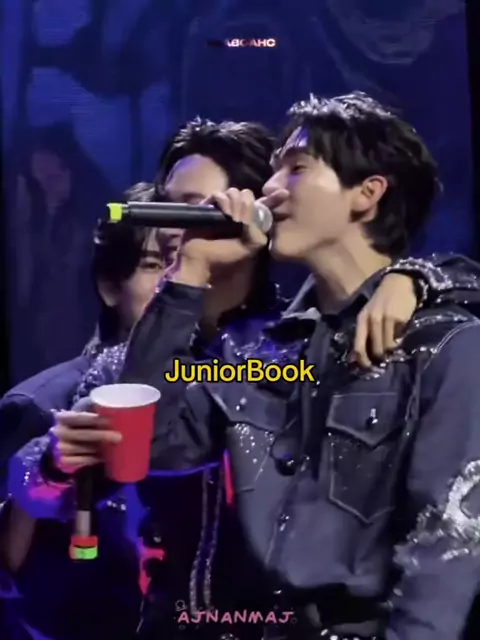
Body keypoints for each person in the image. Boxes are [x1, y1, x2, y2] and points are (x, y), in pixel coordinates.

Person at [9, 111, 480, 640]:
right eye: (168, 204)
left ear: (368, 193)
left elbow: (448, 547)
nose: (174, 226)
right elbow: (145, 447)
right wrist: (189, 274)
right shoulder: (258, 354)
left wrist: (427, 276)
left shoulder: (432, 340)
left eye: (295, 169)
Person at [0, 182, 181, 640]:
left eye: (185, 263)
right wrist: (47, 474)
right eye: (154, 265)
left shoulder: (232, 388)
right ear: (110, 286)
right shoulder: (41, 405)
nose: (176, 283)